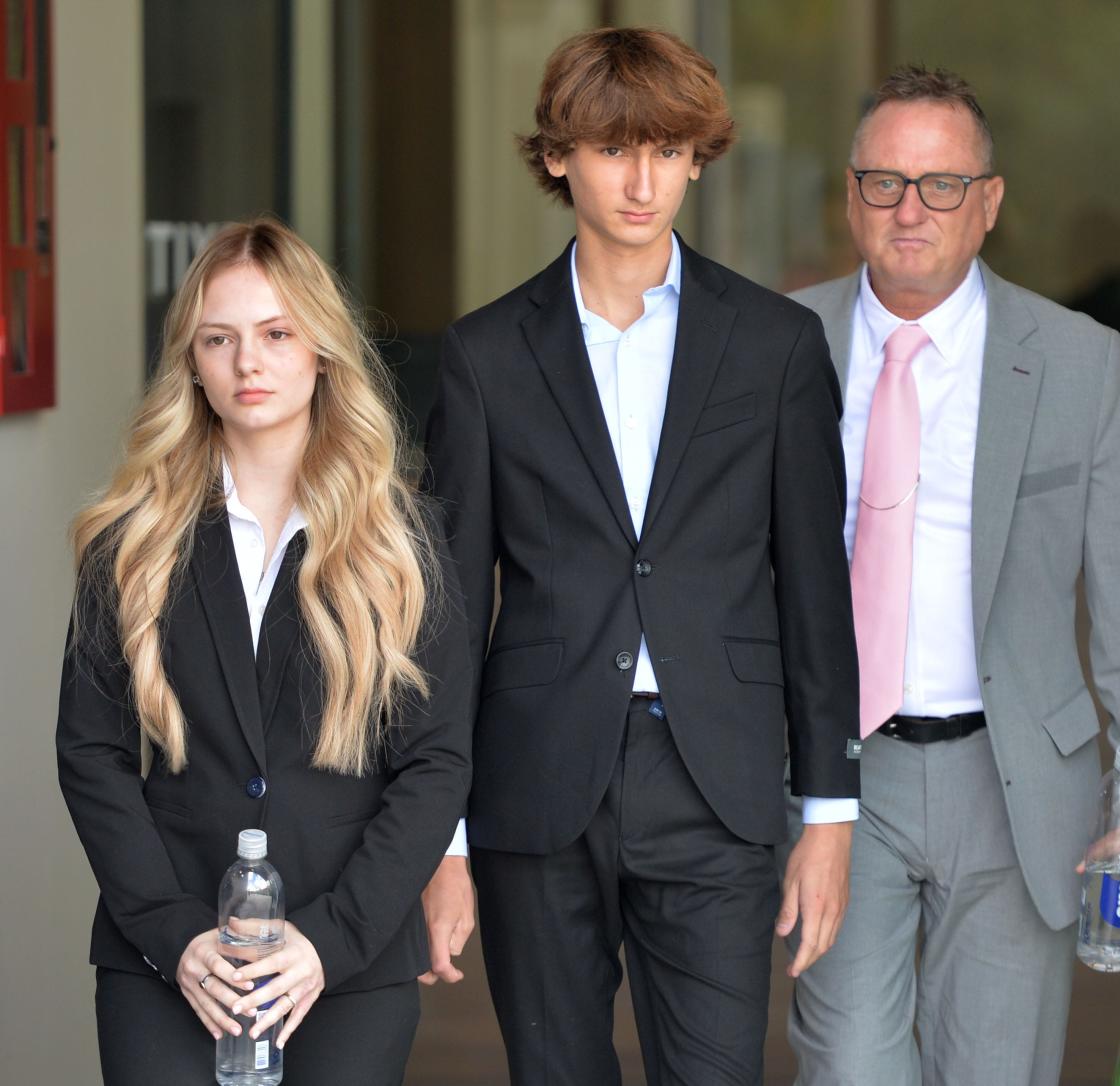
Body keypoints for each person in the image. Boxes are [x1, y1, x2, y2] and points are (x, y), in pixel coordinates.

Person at [421, 26, 859, 1085]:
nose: (643, 179)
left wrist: (830, 812)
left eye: (668, 149)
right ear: (560, 155)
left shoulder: (775, 345)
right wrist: (446, 839)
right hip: (536, 779)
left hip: (716, 776)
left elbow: (815, 588)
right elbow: (441, 609)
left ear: (700, 157)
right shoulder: (482, 356)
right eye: (616, 148)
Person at [780, 66, 1120, 1085]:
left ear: (990, 202)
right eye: (885, 182)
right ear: (850, 197)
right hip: (840, 782)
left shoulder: (1077, 359)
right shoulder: (778, 342)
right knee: (848, 1068)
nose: (910, 209)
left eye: (941, 184)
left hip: (1017, 784)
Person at [56, 217, 473, 1085]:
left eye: (277, 334)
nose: (249, 363)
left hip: (345, 967)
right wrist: (176, 937)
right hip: (166, 965)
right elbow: (89, 755)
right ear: (193, 363)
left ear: (321, 350)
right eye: (221, 340)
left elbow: (436, 761)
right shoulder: (129, 541)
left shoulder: (402, 539)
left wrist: (330, 940)